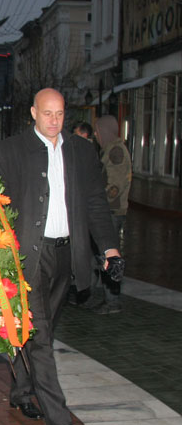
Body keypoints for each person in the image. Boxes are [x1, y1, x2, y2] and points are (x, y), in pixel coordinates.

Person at [0, 88, 121, 425]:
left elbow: (95, 204)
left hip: (68, 254)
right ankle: (58, 419)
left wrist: (109, 248)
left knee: (37, 329)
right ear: (33, 112)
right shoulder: (9, 151)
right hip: (29, 256)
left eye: (60, 113)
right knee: (41, 334)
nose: (55, 120)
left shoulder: (81, 151)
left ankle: (21, 391)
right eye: (48, 113)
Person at [89, 114, 132, 314]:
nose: (96, 134)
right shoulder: (109, 149)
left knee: (108, 255)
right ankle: (102, 295)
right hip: (108, 210)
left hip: (111, 212)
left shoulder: (115, 151)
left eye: (98, 130)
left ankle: (112, 301)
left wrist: (95, 201)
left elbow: (114, 185)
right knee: (99, 254)